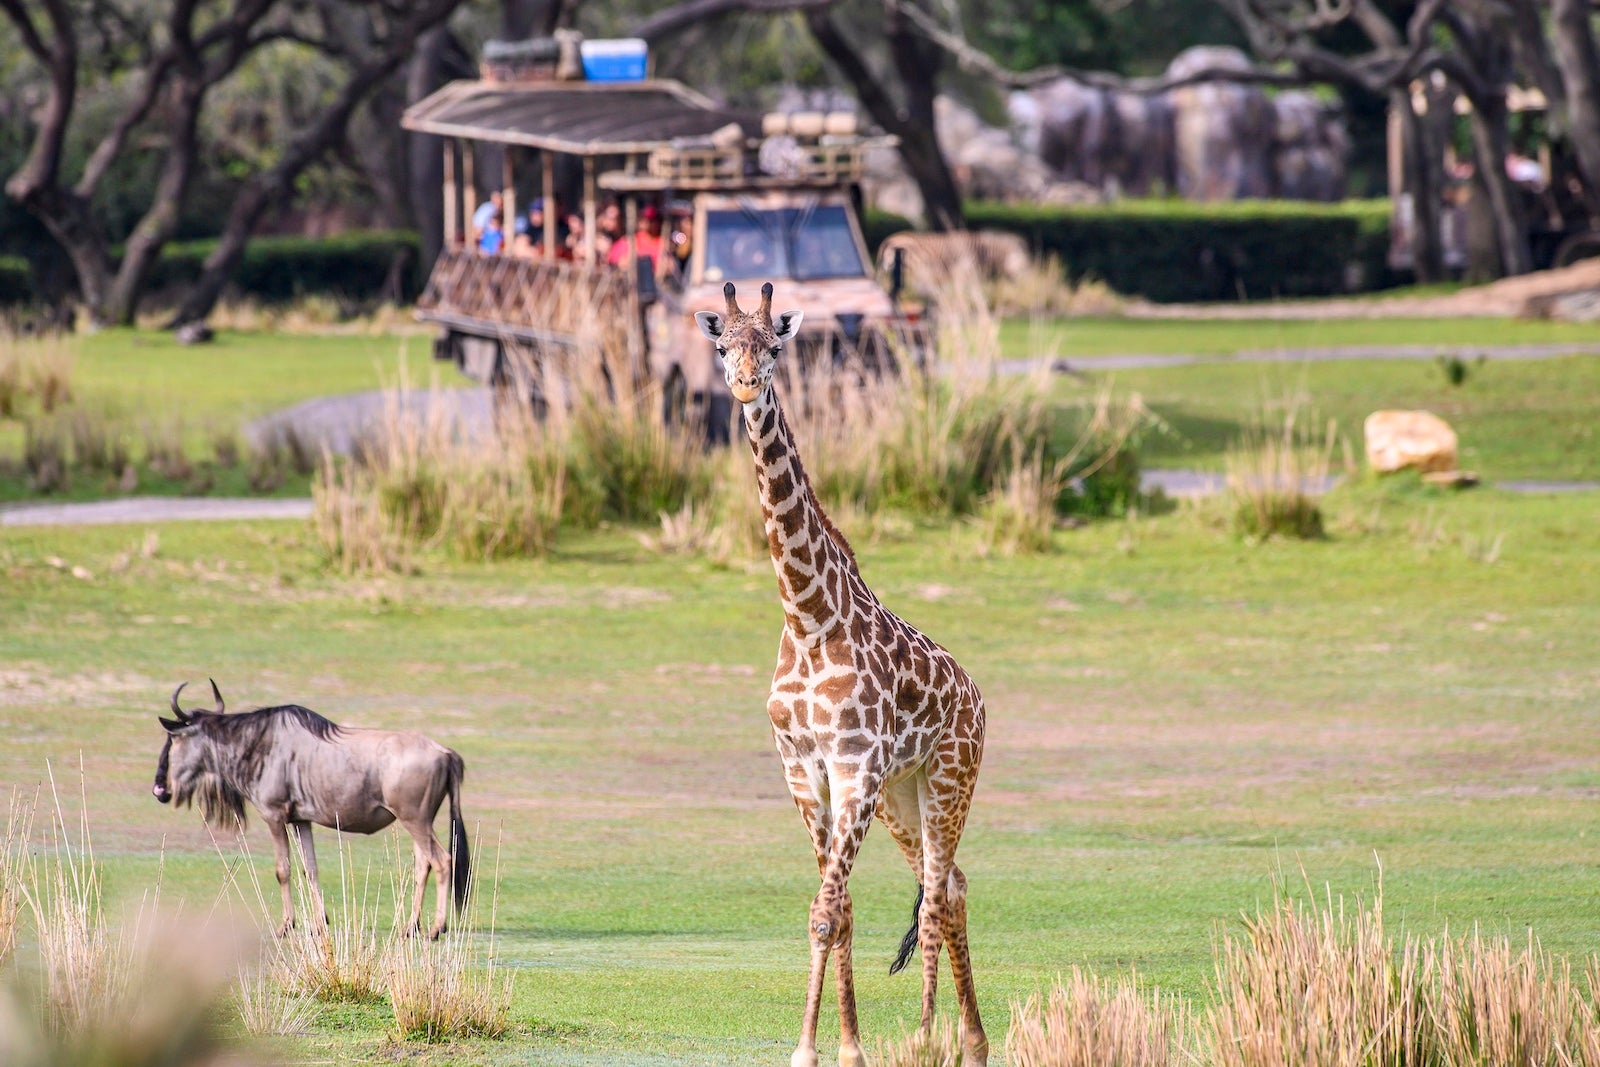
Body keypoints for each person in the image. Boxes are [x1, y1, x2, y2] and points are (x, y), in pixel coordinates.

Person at [606, 202, 665, 270]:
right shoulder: (632, 240)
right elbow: (613, 257)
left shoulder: (662, 241)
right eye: (645, 220)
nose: (648, 224)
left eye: (652, 221)